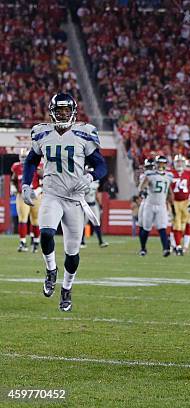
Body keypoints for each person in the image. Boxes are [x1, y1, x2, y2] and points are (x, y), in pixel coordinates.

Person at [21, 92, 107, 311]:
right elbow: (31, 161)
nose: (62, 114)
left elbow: (101, 166)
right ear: (52, 112)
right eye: (58, 111)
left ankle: (67, 288)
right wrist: (26, 184)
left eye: (66, 111)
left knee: (72, 252)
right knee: (46, 233)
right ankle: (51, 270)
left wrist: (89, 177)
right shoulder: (42, 133)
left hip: (75, 199)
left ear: (73, 112)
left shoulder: (84, 134)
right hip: (52, 194)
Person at [137, 155, 173, 257]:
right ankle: (143, 248)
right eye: (159, 163)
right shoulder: (150, 174)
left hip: (161, 205)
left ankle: (166, 249)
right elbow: (141, 187)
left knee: (162, 227)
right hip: (149, 204)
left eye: (163, 163)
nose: (161, 165)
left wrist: (172, 203)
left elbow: (169, 191)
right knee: (146, 228)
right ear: (156, 164)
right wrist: (142, 191)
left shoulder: (169, 176)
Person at [11, 149, 42, 252]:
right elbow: (14, 180)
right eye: (22, 157)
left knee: (35, 219)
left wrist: (38, 190)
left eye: (26, 157)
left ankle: (36, 242)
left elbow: (45, 180)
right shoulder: (17, 167)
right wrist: (15, 188)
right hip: (23, 195)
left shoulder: (38, 166)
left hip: (36, 195)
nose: (24, 160)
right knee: (22, 218)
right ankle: (22, 242)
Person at [170, 154, 190, 255]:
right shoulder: (170, 173)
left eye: (181, 162)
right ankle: (178, 246)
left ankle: (179, 246)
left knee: (184, 224)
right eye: (178, 162)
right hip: (174, 202)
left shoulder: (189, 174)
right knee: (176, 224)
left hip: (186, 202)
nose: (179, 164)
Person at [80, 165, 109, 248]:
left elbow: (96, 193)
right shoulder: (83, 181)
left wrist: (100, 204)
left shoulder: (96, 182)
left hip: (93, 203)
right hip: (85, 204)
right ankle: (82, 242)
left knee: (97, 222)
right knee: (82, 224)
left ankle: (101, 242)